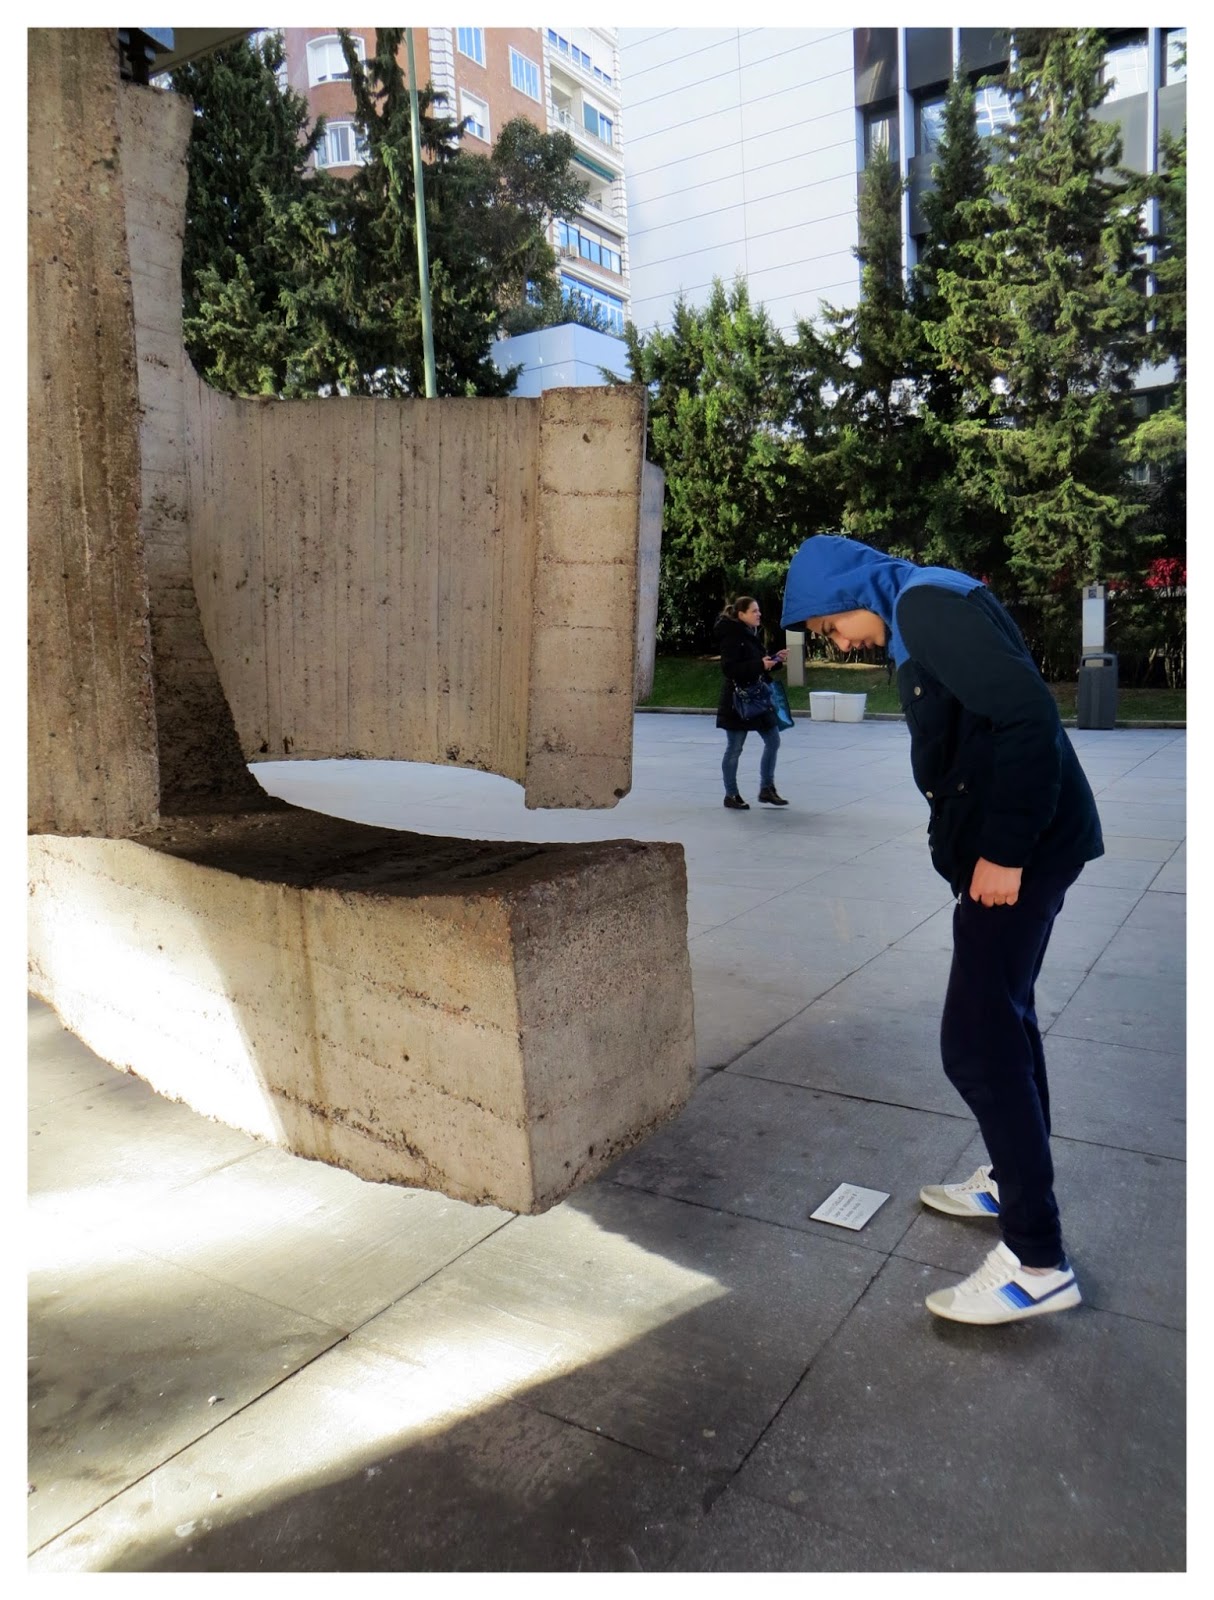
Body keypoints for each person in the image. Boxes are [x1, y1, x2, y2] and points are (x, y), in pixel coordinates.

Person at [781, 534, 1104, 1325]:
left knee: (975, 1041)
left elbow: (1028, 715)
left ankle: (1037, 1261)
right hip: (1030, 848)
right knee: (1007, 1017)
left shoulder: (924, 605)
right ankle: (1009, 1181)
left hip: (1019, 857)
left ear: (849, 588)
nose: (833, 640)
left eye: (826, 624)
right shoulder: (922, 599)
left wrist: (1002, 851)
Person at [714, 596, 788, 810]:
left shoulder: (750, 634)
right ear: (741, 614)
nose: (759, 614)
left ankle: (767, 788)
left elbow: (757, 664)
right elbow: (730, 669)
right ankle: (731, 794)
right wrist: (759, 664)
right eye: (754, 611)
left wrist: (774, 660)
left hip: (758, 697)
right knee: (735, 747)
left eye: (758, 610)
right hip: (739, 700)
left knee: (773, 740)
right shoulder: (731, 636)